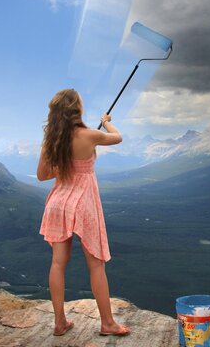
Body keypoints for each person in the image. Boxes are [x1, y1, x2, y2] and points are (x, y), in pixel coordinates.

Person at [37, 88, 130, 337]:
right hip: (84, 203)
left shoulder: (51, 141)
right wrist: (108, 123)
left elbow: (42, 175)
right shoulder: (90, 135)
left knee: (57, 263)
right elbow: (118, 137)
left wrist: (63, 166)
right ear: (77, 110)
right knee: (96, 265)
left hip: (58, 203)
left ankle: (59, 323)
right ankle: (108, 323)